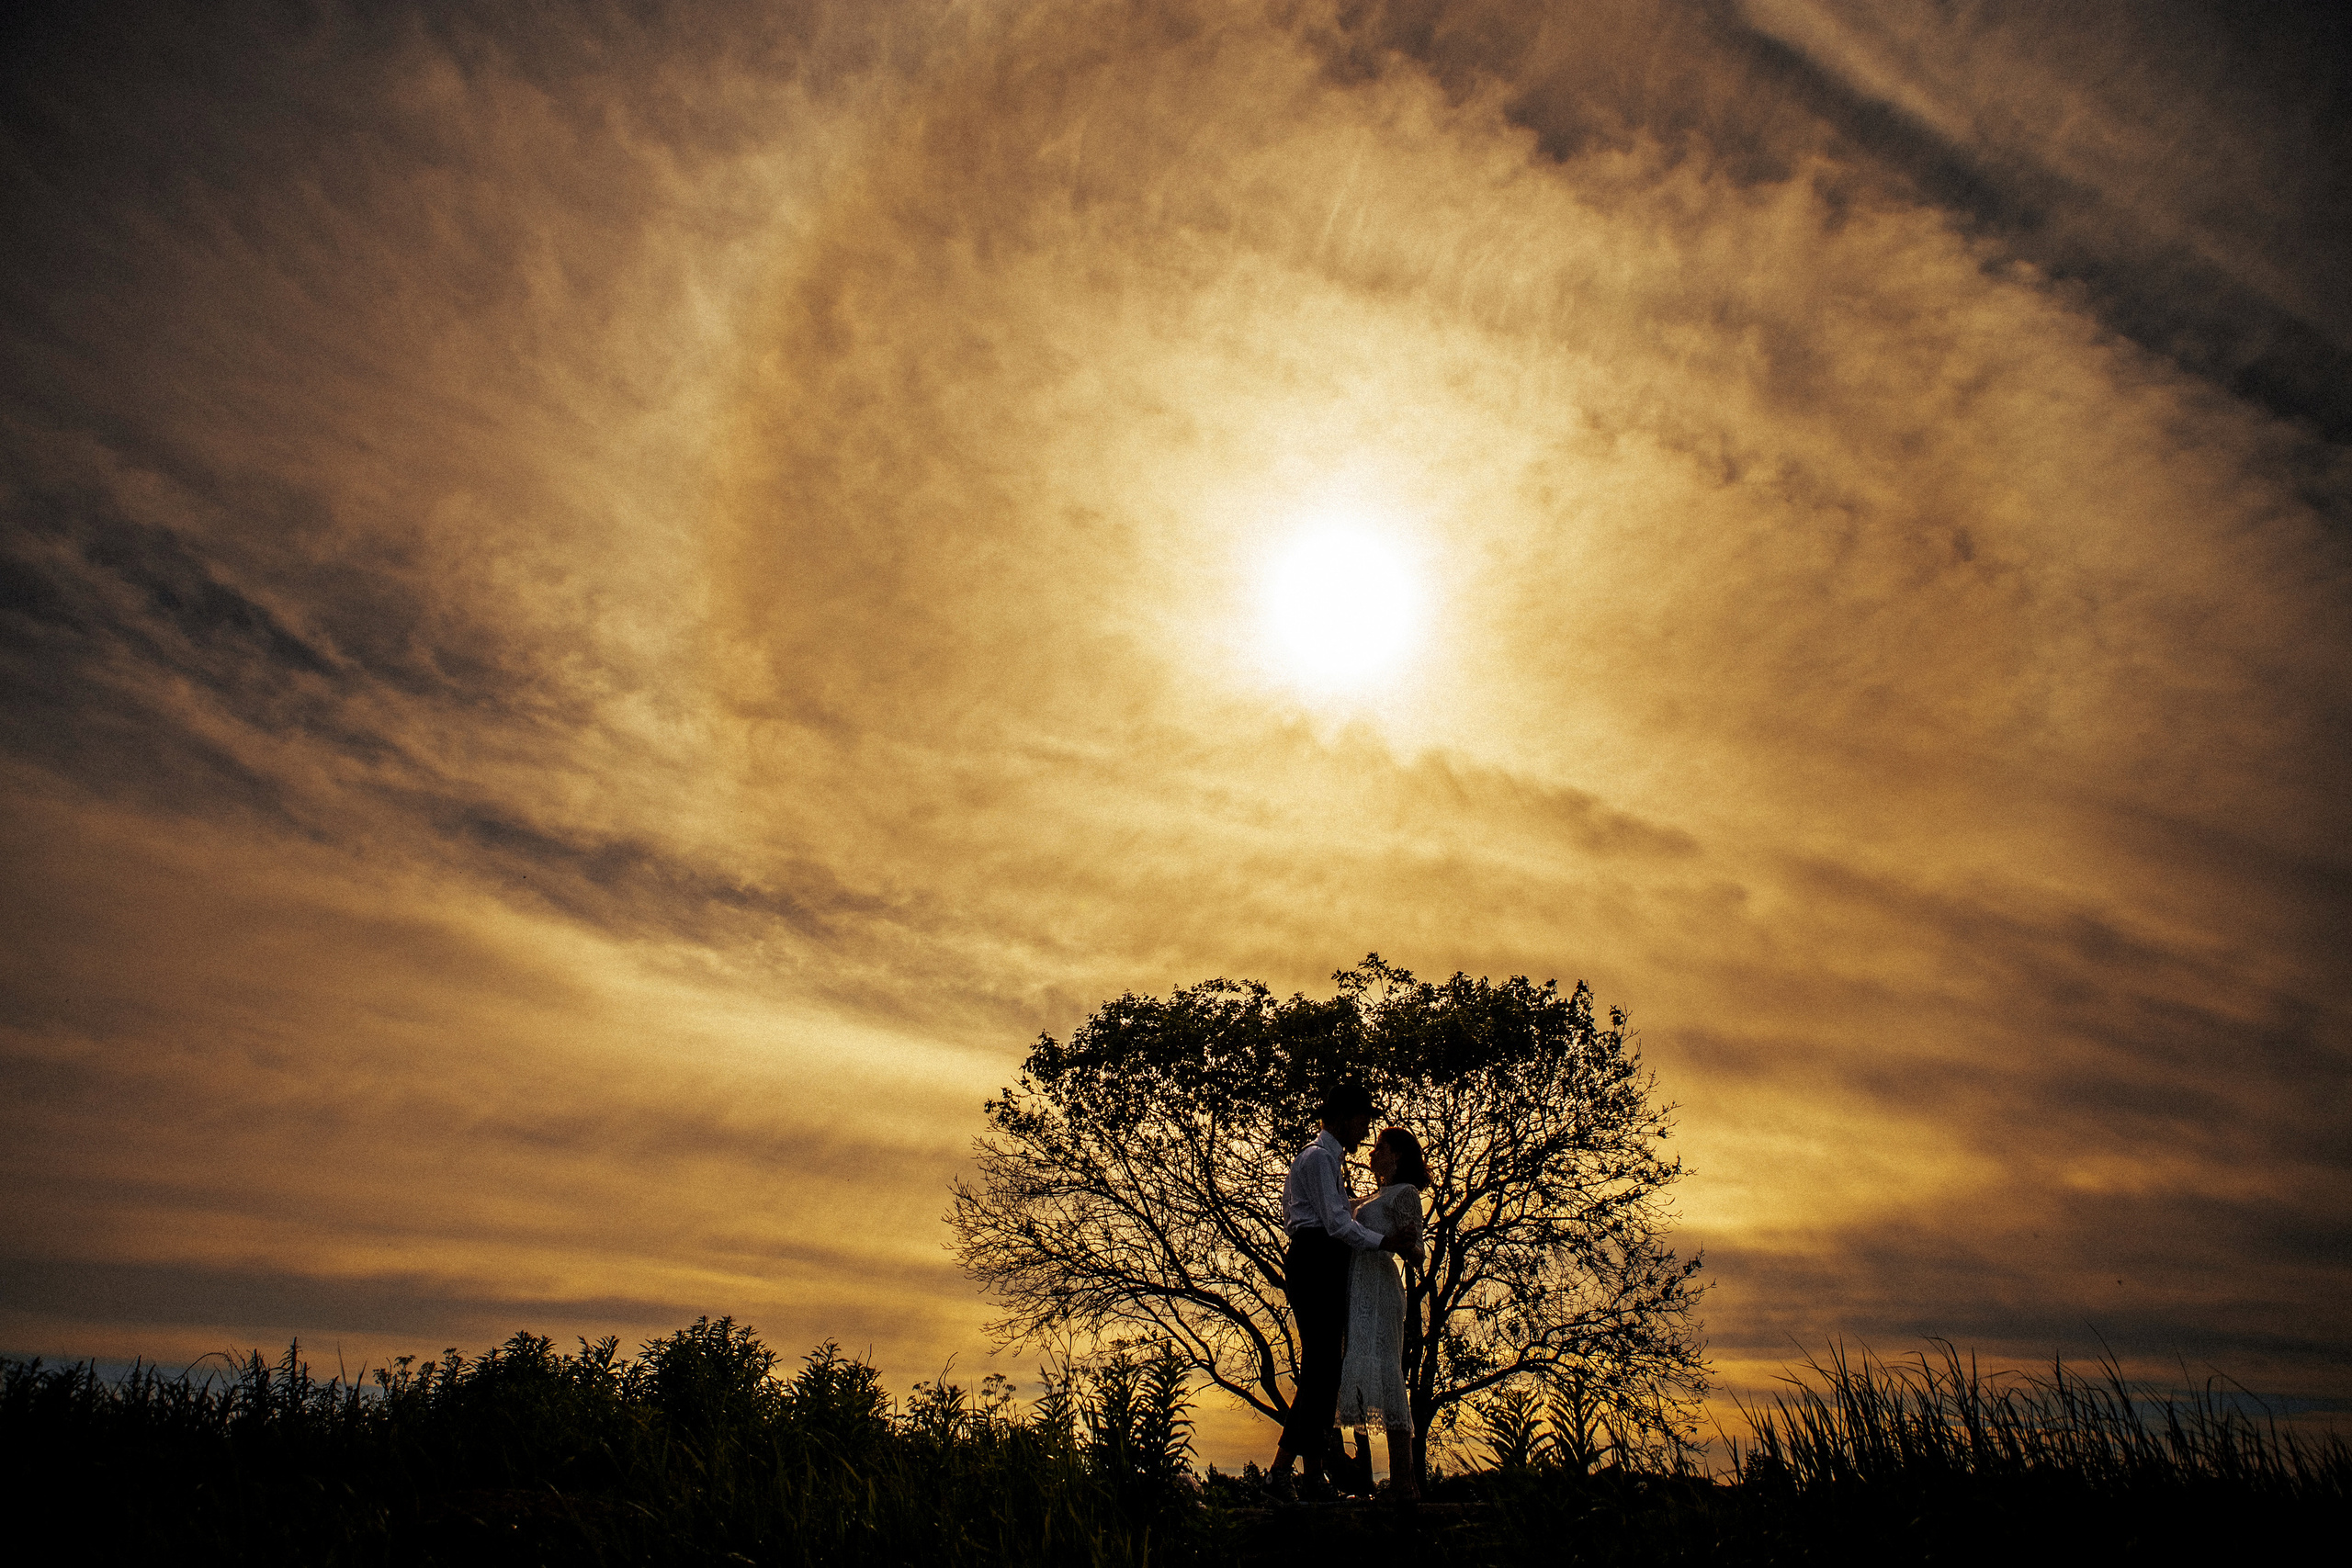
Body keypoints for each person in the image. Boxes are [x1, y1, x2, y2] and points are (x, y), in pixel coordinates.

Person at [1271, 1081, 1413, 1491]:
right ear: (1344, 1118)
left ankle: (1311, 1472)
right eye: (1363, 1121)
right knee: (1321, 1367)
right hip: (1316, 1259)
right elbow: (1334, 1224)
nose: (1366, 1133)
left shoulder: (1326, 1162)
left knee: (1325, 1368)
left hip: (1324, 1261)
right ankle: (1282, 1471)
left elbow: (1336, 1212)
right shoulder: (1317, 1158)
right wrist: (1385, 1241)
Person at [1338, 1126, 1430, 1502]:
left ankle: (1404, 1482)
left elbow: (1419, 1251)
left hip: (1380, 1287)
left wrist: (1406, 1244)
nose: (1372, 1152)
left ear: (1397, 1155)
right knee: (1354, 1370)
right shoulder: (1371, 1194)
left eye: (1380, 1146)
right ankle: (1357, 1477)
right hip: (1355, 1288)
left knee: (1388, 1373)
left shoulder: (1405, 1194)